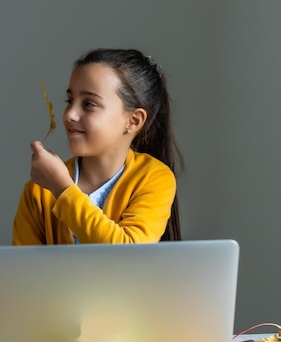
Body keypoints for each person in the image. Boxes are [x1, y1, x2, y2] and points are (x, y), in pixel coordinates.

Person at [12, 48, 182, 245]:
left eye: (89, 104)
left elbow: (130, 254)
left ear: (133, 121)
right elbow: (22, 270)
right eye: (70, 100)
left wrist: (62, 189)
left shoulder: (154, 178)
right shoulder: (38, 191)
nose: (69, 115)